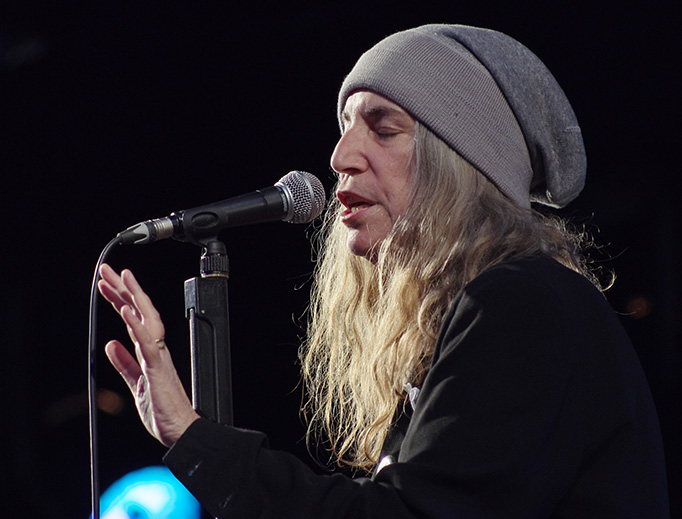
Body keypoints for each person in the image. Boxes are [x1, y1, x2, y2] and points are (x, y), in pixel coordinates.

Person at [98, 24, 669, 517]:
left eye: (384, 128)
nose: (341, 155)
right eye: (346, 126)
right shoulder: (471, 320)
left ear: (457, 163)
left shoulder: (523, 305)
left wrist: (198, 441)